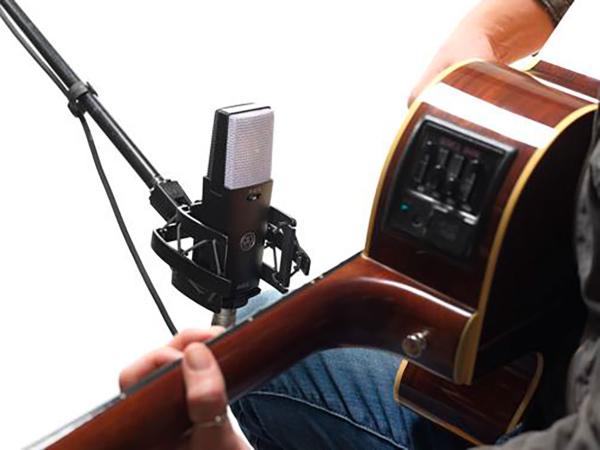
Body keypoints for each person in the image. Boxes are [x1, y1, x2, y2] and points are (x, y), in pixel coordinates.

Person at [120, 0, 600, 448]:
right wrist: (479, 49)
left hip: (557, 421)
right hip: (553, 357)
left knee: (252, 358)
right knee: (257, 325)